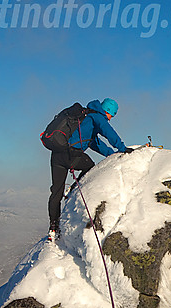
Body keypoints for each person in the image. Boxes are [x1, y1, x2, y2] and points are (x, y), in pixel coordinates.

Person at [47, 98, 130, 239]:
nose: (110, 118)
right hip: (72, 155)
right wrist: (122, 148)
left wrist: (112, 154)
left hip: (57, 155)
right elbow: (108, 132)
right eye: (112, 115)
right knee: (90, 167)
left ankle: (53, 228)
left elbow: (94, 143)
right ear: (108, 111)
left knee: (56, 192)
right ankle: (72, 189)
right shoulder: (97, 116)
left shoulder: (85, 117)